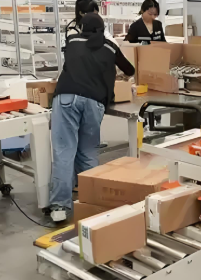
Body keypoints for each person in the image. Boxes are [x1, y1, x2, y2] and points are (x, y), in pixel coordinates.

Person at [47, 13, 135, 223]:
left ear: (82, 27)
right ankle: (92, 203)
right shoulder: (110, 47)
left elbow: (75, 61)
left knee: (64, 151)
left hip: (67, 97)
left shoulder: (72, 41)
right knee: (88, 153)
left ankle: (60, 207)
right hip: (95, 102)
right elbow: (130, 70)